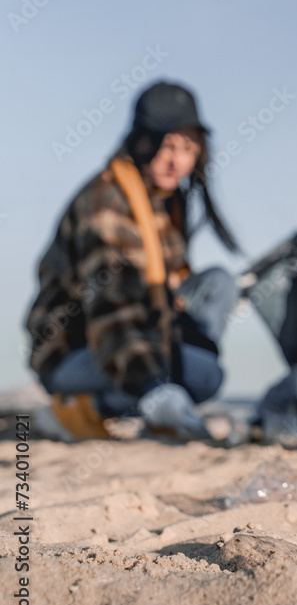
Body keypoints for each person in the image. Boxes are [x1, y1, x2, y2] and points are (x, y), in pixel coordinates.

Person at [26, 81, 240, 438]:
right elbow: (114, 305)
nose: (177, 160)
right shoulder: (106, 199)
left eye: (188, 147)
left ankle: (159, 400)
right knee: (204, 376)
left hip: (141, 334)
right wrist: (153, 385)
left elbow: (167, 290)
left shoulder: (163, 204)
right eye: (167, 145)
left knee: (219, 282)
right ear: (143, 140)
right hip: (75, 347)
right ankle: (80, 408)